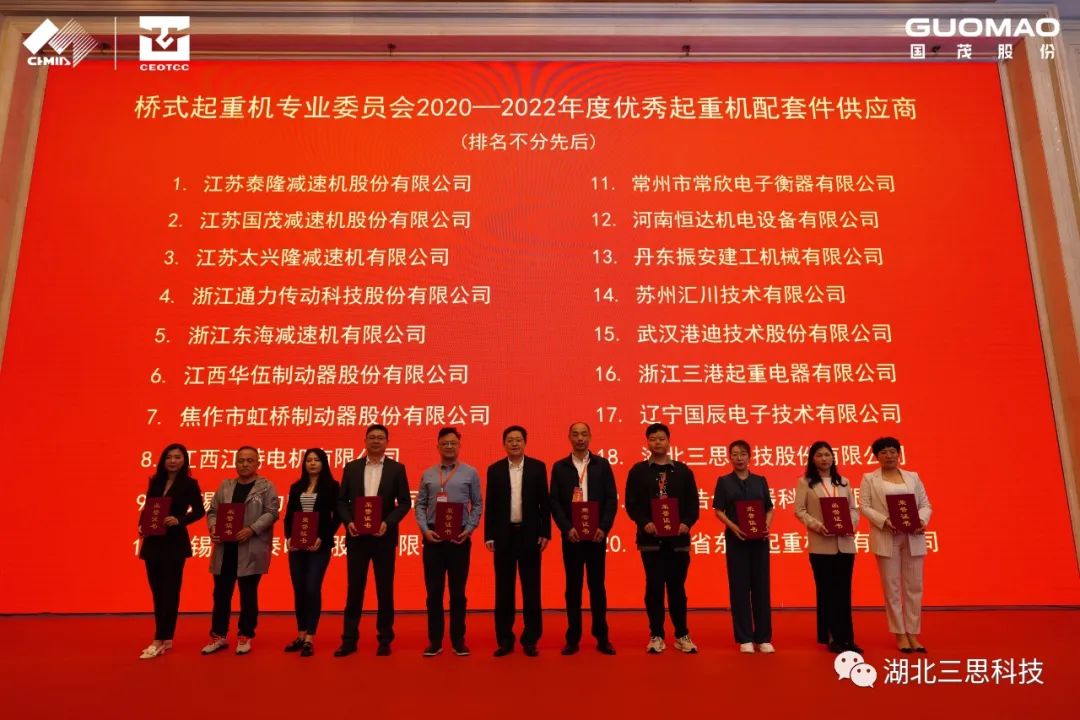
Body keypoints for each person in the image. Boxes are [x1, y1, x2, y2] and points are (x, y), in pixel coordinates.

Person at [335, 424, 412, 657]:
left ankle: (385, 639)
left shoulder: (397, 469)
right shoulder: (352, 468)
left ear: (387, 442)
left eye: (380, 437)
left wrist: (388, 522)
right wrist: (348, 522)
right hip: (357, 537)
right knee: (354, 589)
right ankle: (349, 639)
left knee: (384, 589)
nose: (376, 441)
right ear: (365, 441)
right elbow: (341, 501)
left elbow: (405, 502)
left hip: (383, 538)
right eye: (372, 437)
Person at [624, 423, 700, 654]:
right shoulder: (638, 471)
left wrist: (686, 523)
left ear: (669, 441)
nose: (657, 442)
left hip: (678, 542)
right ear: (647, 443)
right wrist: (644, 522)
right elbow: (631, 504)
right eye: (653, 439)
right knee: (654, 588)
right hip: (651, 542)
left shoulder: (683, 471)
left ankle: (682, 634)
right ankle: (656, 634)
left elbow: (693, 505)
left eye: (661, 438)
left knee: (677, 589)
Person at [202, 446, 280, 655]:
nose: (245, 464)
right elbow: (213, 511)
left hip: (251, 547)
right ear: (235, 463)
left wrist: (252, 529)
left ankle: (245, 634)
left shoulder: (266, 486)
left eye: (249, 460)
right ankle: (218, 636)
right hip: (225, 548)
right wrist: (213, 527)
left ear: (258, 463)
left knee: (248, 594)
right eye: (241, 460)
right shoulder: (225, 485)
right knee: (221, 594)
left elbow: (272, 513)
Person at [549, 422, 618, 655]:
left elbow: (611, 499)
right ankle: (573, 638)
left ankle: (602, 637)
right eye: (576, 434)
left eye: (584, 434)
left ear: (590, 436)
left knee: (597, 587)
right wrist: (567, 528)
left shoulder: (602, 465)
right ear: (569, 437)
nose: (580, 438)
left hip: (596, 536)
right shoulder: (560, 467)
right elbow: (554, 502)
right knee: (573, 588)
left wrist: (604, 528)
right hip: (573, 537)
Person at [859, 436, 932, 653]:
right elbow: (864, 506)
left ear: (899, 454)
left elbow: (925, 504)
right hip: (887, 536)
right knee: (892, 588)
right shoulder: (869, 479)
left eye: (892, 451)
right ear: (876, 456)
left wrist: (921, 520)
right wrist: (884, 521)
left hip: (913, 536)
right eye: (883, 452)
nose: (889, 456)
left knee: (914, 587)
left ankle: (913, 633)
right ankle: (899, 633)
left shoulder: (912, 477)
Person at [414, 427, 483, 657]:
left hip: (459, 538)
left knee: (458, 592)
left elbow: (477, 504)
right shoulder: (428, 474)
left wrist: (469, 529)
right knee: (433, 592)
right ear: (438, 446)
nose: (449, 447)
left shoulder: (470, 473)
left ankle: (458, 639)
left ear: (459, 445)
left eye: (453, 443)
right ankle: (435, 641)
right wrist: (425, 530)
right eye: (445, 443)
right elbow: (420, 505)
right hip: (433, 537)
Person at [485, 425, 551, 657]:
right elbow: (491, 505)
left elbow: (545, 504)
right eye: (510, 440)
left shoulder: (537, 467)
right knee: (504, 590)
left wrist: (545, 532)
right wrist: (489, 534)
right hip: (504, 536)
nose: (514, 443)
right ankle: (505, 639)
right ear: (504, 444)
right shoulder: (494, 470)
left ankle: (531, 639)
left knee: (531, 589)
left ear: (525, 443)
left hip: (530, 536)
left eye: (518, 440)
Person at [138, 443, 205, 659]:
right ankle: (165, 638)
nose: (173, 461)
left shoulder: (190, 484)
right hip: (152, 542)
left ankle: (160, 639)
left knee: (170, 591)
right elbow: (148, 507)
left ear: (184, 460)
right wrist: (141, 525)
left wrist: (179, 520)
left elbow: (199, 511)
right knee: (157, 591)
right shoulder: (155, 480)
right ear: (163, 460)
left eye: (177, 457)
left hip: (174, 543)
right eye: (169, 457)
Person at [793, 441, 862, 654]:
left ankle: (847, 638)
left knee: (844, 592)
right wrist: (817, 525)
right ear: (812, 459)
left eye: (827, 454)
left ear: (833, 457)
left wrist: (851, 524)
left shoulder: (843, 482)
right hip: (821, 545)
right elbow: (799, 510)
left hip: (845, 544)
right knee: (827, 592)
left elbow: (853, 508)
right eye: (819, 455)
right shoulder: (805, 483)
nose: (824, 458)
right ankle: (831, 637)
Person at [713, 440, 775, 653]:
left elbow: (769, 508)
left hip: (760, 541)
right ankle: (745, 637)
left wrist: (766, 526)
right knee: (739, 588)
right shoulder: (724, 482)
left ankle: (763, 637)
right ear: (729, 457)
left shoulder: (760, 480)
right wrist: (733, 527)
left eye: (742, 454)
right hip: (736, 540)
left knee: (761, 587)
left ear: (750, 456)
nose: (739, 458)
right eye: (735, 454)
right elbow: (718, 509)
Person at [283, 448, 340, 657]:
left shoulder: (332, 486)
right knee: (299, 588)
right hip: (297, 545)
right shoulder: (296, 486)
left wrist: (322, 537)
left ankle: (310, 638)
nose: (312, 463)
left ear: (324, 463)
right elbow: (289, 515)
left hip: (319, 545)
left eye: (317, 460)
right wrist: (289, 537)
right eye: (309, 460)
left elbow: (337, 517)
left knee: (312, 587)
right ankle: (300, 634)